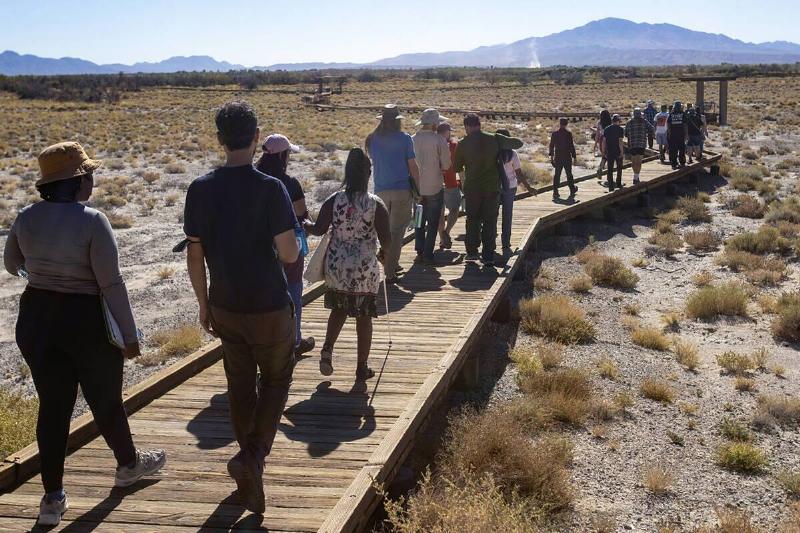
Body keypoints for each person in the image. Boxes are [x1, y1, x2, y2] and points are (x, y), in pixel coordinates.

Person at [3, 142, 166, 527]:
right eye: (89, 174)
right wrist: (130, 335)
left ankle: (52, 499)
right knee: (105, 399)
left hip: (37, 317)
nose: (92, 180)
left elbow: (12, 265)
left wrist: (44, 275)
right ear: (78, 181)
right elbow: (111, 284)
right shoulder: (93, 220)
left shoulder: (26, 217)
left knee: (53, 406)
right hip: (85, 320)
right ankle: (128, 466)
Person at [183, 101, 299, 515]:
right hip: (268, 303)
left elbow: (194, 256)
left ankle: (248, 466)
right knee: (276, 380)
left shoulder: (200, 189)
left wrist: (202, 304)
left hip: (225, 304)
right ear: (255, 139)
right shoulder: (271, 189)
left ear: (220, 139)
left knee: (238, 384)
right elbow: (288, 254)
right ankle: (252, 459)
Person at [303, 148, 391, 381]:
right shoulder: (375, 204)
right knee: (364, 317)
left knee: (339, 308)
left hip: (337, 265)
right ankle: (362, 367)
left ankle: (327, 349)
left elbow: (319, 228)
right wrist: (384, 253)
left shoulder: (335, 200)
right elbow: (387, 238)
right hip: (364, 267)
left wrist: (304, 223)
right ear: (368, 173)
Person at [255, 134, 315, 356]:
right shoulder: (289, 184)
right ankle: (294, 339)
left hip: (258, 246)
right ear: (282, 155)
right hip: (288, 244)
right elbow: (301, 213)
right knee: (293, 290)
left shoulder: (255, 180)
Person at [453, 114, 523, 267]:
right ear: (479, 124)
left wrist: (464, 186)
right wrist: (501, 141)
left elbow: (458, 168)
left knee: (472, 220)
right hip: (492, 188)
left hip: (472, 188)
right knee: (490, 221)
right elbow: (518, 143)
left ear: (466, 126)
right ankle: (488, 255)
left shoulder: (462, 144)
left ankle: (472, 252)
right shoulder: (494, 138)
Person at [365, 105, 420, 283]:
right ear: (397, 121)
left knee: (384, 231)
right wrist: (418, 189)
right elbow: (413, 166)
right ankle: (389, 272)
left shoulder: (372, 139)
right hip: (402, 190)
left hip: (380, 191)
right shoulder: (404, 139)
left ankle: (387, 260)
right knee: (397, 233)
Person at [412, 109, 451, 264]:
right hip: (434, 186)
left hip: (417, 188)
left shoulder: (412, 139)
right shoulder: (439, 140)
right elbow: (447, 164)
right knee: (433, 221)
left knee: (419, 220)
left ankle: (419, 251)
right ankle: (428, 254)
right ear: (435, 123)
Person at [496, 128, 533, 255]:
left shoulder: (493, 153)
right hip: (510, 187)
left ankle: (489, 239)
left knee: (492, 214)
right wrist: (528, 187)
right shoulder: (512, 154)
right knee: (507, 215)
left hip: (495, 187)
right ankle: (505, 243)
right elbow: (519, 174)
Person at [437, 122, 461, 250]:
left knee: (440, 213)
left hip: (435, 183)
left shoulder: (432, 144)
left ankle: (442, 238)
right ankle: (446, 232)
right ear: (446, 132)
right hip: (451, 182)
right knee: (455, 209)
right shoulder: (453, 145)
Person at [548, 118, 578, 201]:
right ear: (566, 124)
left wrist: (551, 157)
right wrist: (574, 157)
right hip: (567, 156)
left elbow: (551, 146)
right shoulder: (568, 134)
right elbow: (571, 146)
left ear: (560, 124)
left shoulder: (555, 134)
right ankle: (572, 189)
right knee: (569, 174)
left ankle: (555, 191)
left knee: (557, 174)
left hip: (558, 156)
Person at [624, 107, 655, 184]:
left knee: (634, 161)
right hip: (641, 143)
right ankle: (636, 177)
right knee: (639, 161)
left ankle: (635, 176)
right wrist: (647, 133)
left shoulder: (629, 122)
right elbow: (652, 128)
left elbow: (625, 134)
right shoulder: (644, 121)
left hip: (632, 144)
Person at [603, 114, 625, 191]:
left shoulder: (607, 129)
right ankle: (618, 184)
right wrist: (622, 152)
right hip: (617, 151)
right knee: (619, 168)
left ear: (612, 121)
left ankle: (611, 186)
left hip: (609, 150)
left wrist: (603, 151)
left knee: (610, 169)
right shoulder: (620, 129)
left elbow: (604, 141)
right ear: (618, 121)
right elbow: (620, 141)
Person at [667, 101, 688, 169]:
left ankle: (674, 163)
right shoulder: (683, 114)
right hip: (681, 135)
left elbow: (668, 125)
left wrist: (669, 134)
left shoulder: (671, 114)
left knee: (674, 150)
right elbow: (685, 125)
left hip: (673, 135)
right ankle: (682, 162)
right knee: (682, 149)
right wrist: (686, 134)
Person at [595, 110, 612, 176]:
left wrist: (596, 143)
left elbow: (597, 134)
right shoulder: (610, 122)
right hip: (610, 139)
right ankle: (608, 173)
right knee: (609, 156)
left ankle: (600, 169)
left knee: (604, 156)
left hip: (602, 139)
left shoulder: (599, 123)